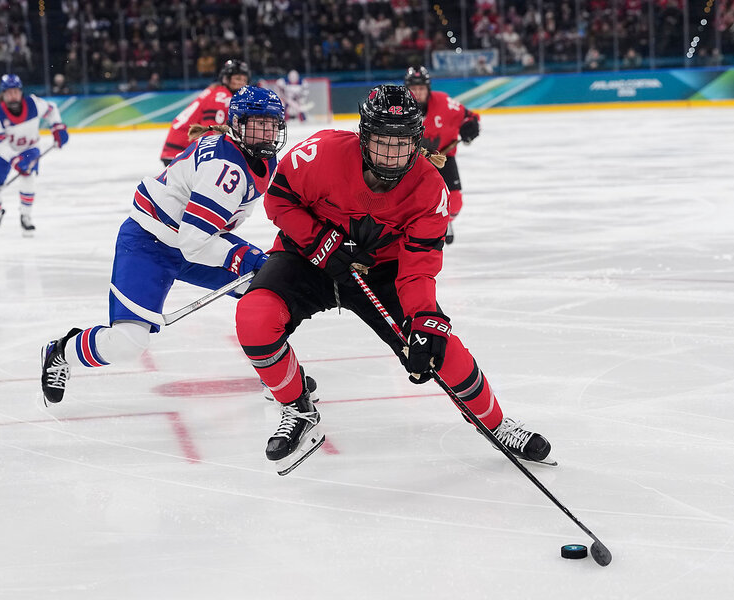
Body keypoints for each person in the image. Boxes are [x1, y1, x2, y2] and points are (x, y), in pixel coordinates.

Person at [235, 84, 551, 475]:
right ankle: (298, 407)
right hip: (307, 256)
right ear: (363, 136)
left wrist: (423, 320)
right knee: (253, 319)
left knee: (440, 348)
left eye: (402, 144)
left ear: (417, 142)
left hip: (383, 273)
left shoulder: (430, 188)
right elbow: (279, 199)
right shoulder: (320, 154)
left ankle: (497, 424)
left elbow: (418, 265)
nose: (392, 154)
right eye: (383, 141)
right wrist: (319, 243)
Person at [41, 86, 288, 405]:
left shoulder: (254, 156)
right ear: (237, 124)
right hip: (149, 243)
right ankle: (60, 352)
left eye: (272, 124)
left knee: (268, 288)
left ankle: (275, 373)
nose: (267, 133)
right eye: (259, 124)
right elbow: (193, 242)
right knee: (128, 343)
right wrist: (244, 257)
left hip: (191, 238)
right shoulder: (225, 169)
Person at [0, 74, 69, 236]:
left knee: (28, 177)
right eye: (8, 92)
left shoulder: (34, 104)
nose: (12, 96)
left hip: (29, 149)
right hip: (3, 152)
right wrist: (13, 159)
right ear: (3, 94)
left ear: (20, 92)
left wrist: (57, 127)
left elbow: (52, 110)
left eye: (15, 92)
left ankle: (26, 216)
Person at [404, 66, 480, 245]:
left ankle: (447, 222)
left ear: (428, 89)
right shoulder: (399, 107)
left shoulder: (444, 102)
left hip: (442, 158)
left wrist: (470, 127)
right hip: (410, 162)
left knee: (455, 201)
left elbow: (469, 117)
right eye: (413, 89)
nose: (418, 93)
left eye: (421, 88)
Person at [159, 59, 251, 166]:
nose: (241, 82)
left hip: (177, 148)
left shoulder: (216, 91)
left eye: (244, 79)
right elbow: (209, 132)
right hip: (182, 151)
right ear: (226, 79)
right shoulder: (222, 97)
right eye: (237, 78)